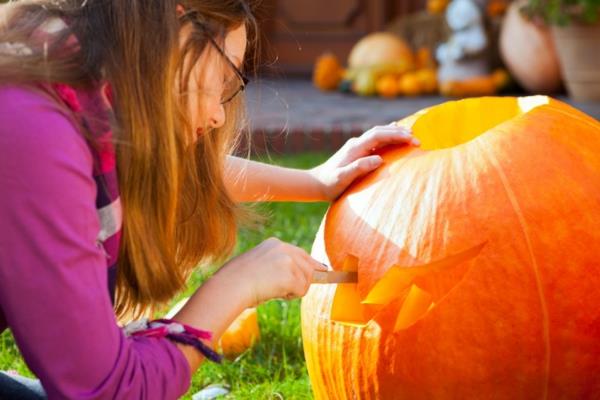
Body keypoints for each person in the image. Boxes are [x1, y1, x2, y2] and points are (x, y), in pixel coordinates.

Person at [0, 1, 419, 398]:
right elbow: (108, 390)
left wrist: (314, 181)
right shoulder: (36, 130)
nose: (219, 114)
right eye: (223, 78)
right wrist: (237, 285)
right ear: (178, 30)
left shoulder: (66, 79)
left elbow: (187, 170)